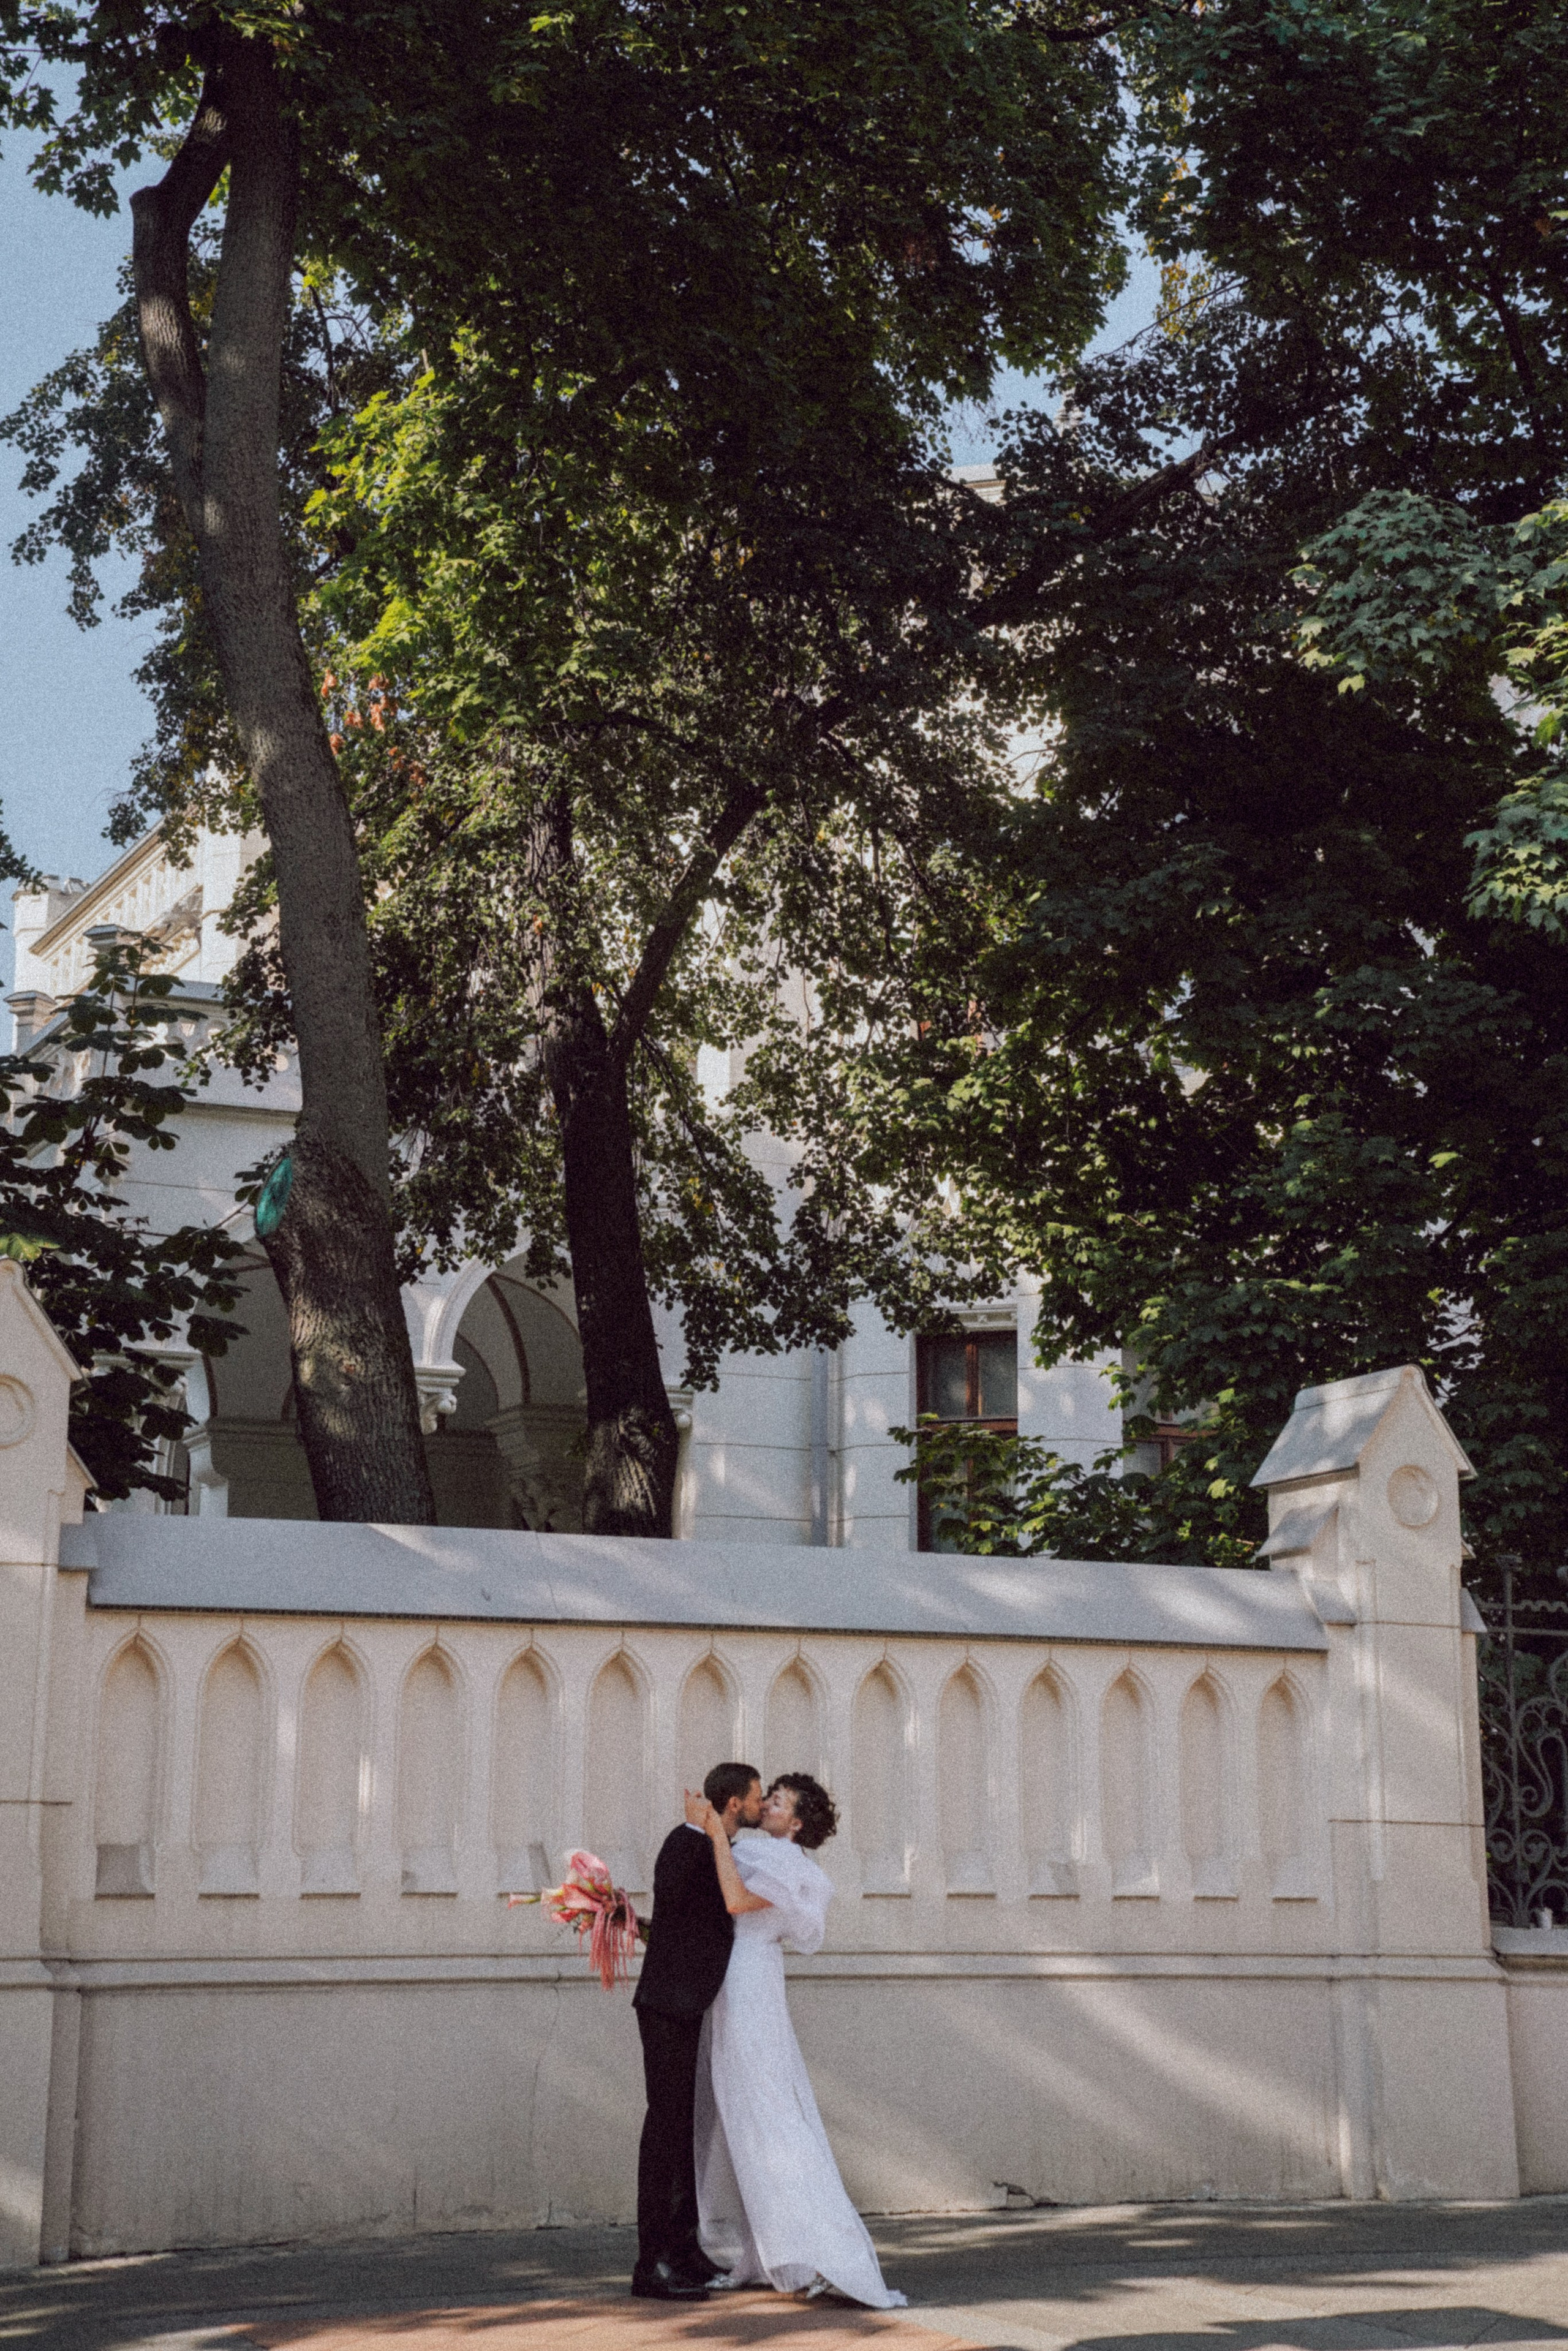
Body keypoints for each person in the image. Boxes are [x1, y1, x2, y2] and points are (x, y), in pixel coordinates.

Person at [686, 1772, 906, 2309]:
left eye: (779, 1802)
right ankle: (758, 2255)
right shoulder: (766, 1855)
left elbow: (736, 1903)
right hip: (736, 1979)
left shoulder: (785, 1864)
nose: (770, 1805)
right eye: (771, 1797)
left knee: (767, 2116)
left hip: (750, 1984)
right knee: (740, 2118)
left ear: (797, 1823)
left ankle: (823, 2252)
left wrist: (713, 1829)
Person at [630, 1759, 763, 2299]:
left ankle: (685, 2251)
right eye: (757, 1797)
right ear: (734, 1804)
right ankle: (651, 2264)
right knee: (664, 2132)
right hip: (668, 2008)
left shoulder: (713, 1846)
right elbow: (676, 1904)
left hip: (690, 2006)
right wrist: (701, 1828)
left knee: (686, 2130)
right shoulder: (687, 1843)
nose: (760, 1804)